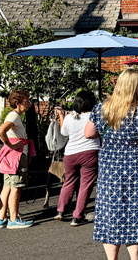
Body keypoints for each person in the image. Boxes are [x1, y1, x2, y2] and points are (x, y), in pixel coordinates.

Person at [85, 69, 138, 260]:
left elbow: (88, 133)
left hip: (109, 169)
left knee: (110, 213)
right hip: (137, 169)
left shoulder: (102, 108)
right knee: (135, 214)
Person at [55, 90, 100, 226]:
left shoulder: (70, 117)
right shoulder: (94, 116)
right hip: (89, 152)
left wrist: (62, 118)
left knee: (69, 181)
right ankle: (77, 215)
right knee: (85, 185)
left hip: (70, 154)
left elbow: (63, 132)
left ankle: (61, 210)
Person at [0, 89, 35, 229]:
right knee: (16, 187)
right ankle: (13, 219)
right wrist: (11, 145)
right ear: (18, 103)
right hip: (16, 157)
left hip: (10, 157)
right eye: (26, 101)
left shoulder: (14, 116)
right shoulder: (14, 116)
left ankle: (2, 218)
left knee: (7, 187)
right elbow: (0, 131)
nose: (29, 103)